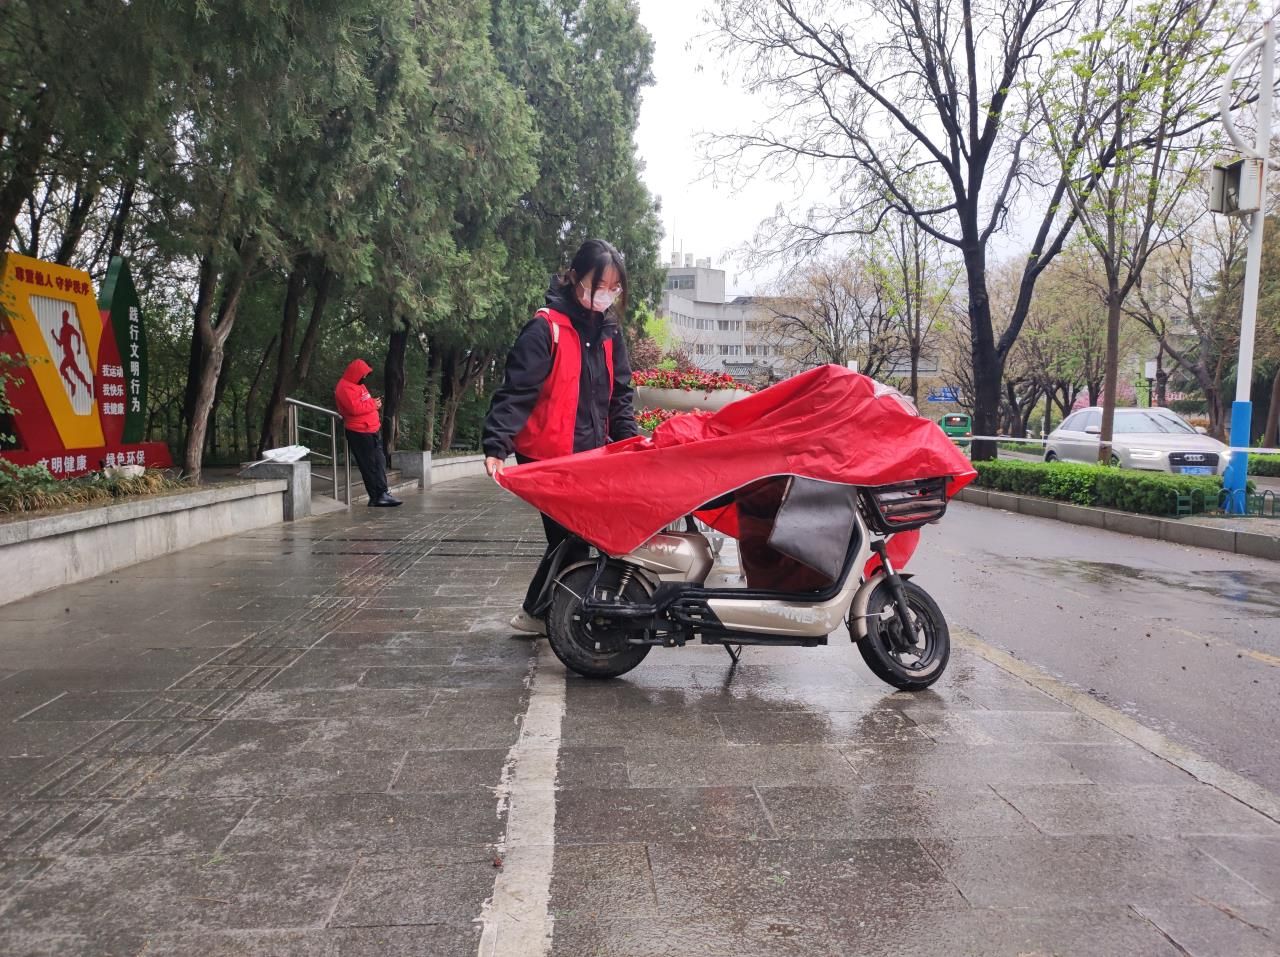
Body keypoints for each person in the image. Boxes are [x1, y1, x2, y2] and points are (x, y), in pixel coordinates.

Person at [483, 239, 639, 634]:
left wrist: (630, 444)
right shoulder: (545, 328)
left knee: (575, 536)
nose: (605, 295)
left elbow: (620, 396)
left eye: (614, 288)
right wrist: (496, 443)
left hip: (589, 454)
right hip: (548, 455)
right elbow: (517, 391)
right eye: (598, 285)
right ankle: (539, 613)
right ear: (574, 278)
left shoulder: (609, 333)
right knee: (570, 535)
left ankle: (542, 612)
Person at [335, 358, 401, 507]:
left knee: (379, 461)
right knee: (370, 465)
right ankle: (377, 496)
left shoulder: (359, 385)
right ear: (356, 373)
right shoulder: (344, 387)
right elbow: (354, 408)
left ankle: (382, 493)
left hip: (370, 429)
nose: (364, 377)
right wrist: (373, 404)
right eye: (363, 375)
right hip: (359, 432)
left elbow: (364, 402)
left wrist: (373, 403)